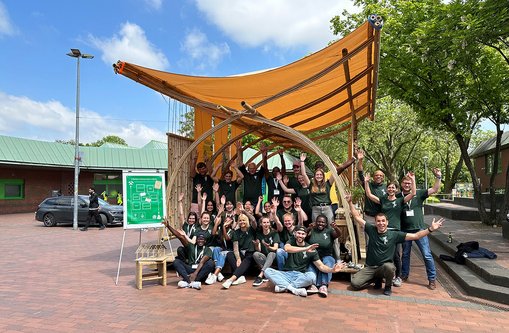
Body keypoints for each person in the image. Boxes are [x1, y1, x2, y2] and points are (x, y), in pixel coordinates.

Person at [345, 193, 445, 296]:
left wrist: (430, 229)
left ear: (387, 222)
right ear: (375, 223)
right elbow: (357, 217)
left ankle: (388, 286)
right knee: (355, 284)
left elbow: (416, 236)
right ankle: (375, 279)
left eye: (383, 221)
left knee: (390, 268)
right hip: (370, 267)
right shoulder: (371, 229)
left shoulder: (394, 234)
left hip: (384, 267)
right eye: (378, 221)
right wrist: (350, 202)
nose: (381, 223)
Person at [364, 172, 416, 287]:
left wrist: (412, 180)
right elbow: (369, 195)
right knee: (384, 255)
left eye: (393, 187)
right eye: (389, 187)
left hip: (395, 231)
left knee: (396, 254)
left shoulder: (400, 200)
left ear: (396, 190)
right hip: (384, 230)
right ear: (386, 189)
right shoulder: (383, 199)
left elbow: (413, 193)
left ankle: (398, 276)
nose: (391, 189)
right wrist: (366, 181)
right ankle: (383, 275)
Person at [263, 226, 347, 297]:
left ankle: (285, 287)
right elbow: (287, 248)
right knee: (267, 271)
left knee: (311, 277)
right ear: (295, 233)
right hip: (286, 273)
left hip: (300, 275)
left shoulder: (312, 250)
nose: (300, 236)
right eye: (299, 233)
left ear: (306, 235)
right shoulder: (292, 241)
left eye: (303, 234)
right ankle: (293, 289)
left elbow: (321, 266)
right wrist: (306, 249)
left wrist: (332, 270)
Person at [400, 168, 442, 290]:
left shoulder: (419, 193)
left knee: (426, 254)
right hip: (405, 231)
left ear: (412, 183)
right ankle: (404, 274)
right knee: (405, 254)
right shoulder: (398, 196)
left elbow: (435, 189)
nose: (407, 185)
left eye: (409, 183)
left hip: (420, 230)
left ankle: (432, 279)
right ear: (401, 184)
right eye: (405, 183)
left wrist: (438, 177)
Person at [162, 219, 215, 290]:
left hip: (199, 270)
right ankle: (190, 281)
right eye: (199, 239)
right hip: (190, 268)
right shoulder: (191, 246)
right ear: (196, 240)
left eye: (202, 239)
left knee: (211, 263)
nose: (200, 241)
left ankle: (189, 281)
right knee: (176, 262)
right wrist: (168, 226)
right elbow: (180, 237)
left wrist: (195, 273)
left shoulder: (207, 249)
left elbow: (202, 261)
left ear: (205, 241)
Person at [306, 214, 343, 297]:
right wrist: (309, 228)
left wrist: (336, 227)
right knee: (311, 266)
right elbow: (304, 235)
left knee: (329, 261)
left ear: (326, 224)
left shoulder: (329, 231)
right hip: (313, 256)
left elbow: (338, 234)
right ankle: (313, 285)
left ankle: (323, 285)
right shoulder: (312, 230)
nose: (320, 224)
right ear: (315, 222)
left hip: (326, 255)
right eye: (319, 222)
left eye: (323, 222)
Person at [222, 209, 259, 289]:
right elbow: (235, 248)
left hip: (250, 255)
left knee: (249, 257)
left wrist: (244, 211)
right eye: (240, 220)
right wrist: (238, 258)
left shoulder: (251, 229)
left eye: (244, 220)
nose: (242, 222)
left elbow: (253, 219)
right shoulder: (236, 232)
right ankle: (240, 276)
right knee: (229, 254)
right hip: (241, 254)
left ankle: (231, 279)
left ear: (246, 221)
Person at [300, 153, 335, 225]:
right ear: (315, 176)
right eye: (317, 175)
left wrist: (329, 161)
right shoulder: (311, 185)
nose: (319, 176)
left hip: (327, 208)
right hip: (315, 208)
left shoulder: (328, 184)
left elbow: (334, 172)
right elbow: (303, 174)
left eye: (320, 175)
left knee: (330, 225)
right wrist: (302, 161)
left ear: (323, 176)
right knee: (315, 226)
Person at [357, 150, 387, 220]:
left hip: (382, 217)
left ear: (383, 178)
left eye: (380, 175)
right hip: (369, 217)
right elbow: (360, 173)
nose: (378, 177)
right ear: (373, 177)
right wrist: (360, 160)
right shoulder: (368, 185)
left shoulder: (387, 188)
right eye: (376, 175)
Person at [252, 216, 280, 287]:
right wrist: (256, 245)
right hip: (265, 258)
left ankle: (261, 275)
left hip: (274, 257)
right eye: (264, 222)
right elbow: (259, 250)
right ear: (261, 224)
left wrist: (269, 247)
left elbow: (276, 248)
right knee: (255, 254)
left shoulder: (274, 233)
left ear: (270, 224)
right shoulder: (259, 233)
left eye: (268, 222)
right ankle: (267, 272)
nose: (266, 224)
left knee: (271, 253)